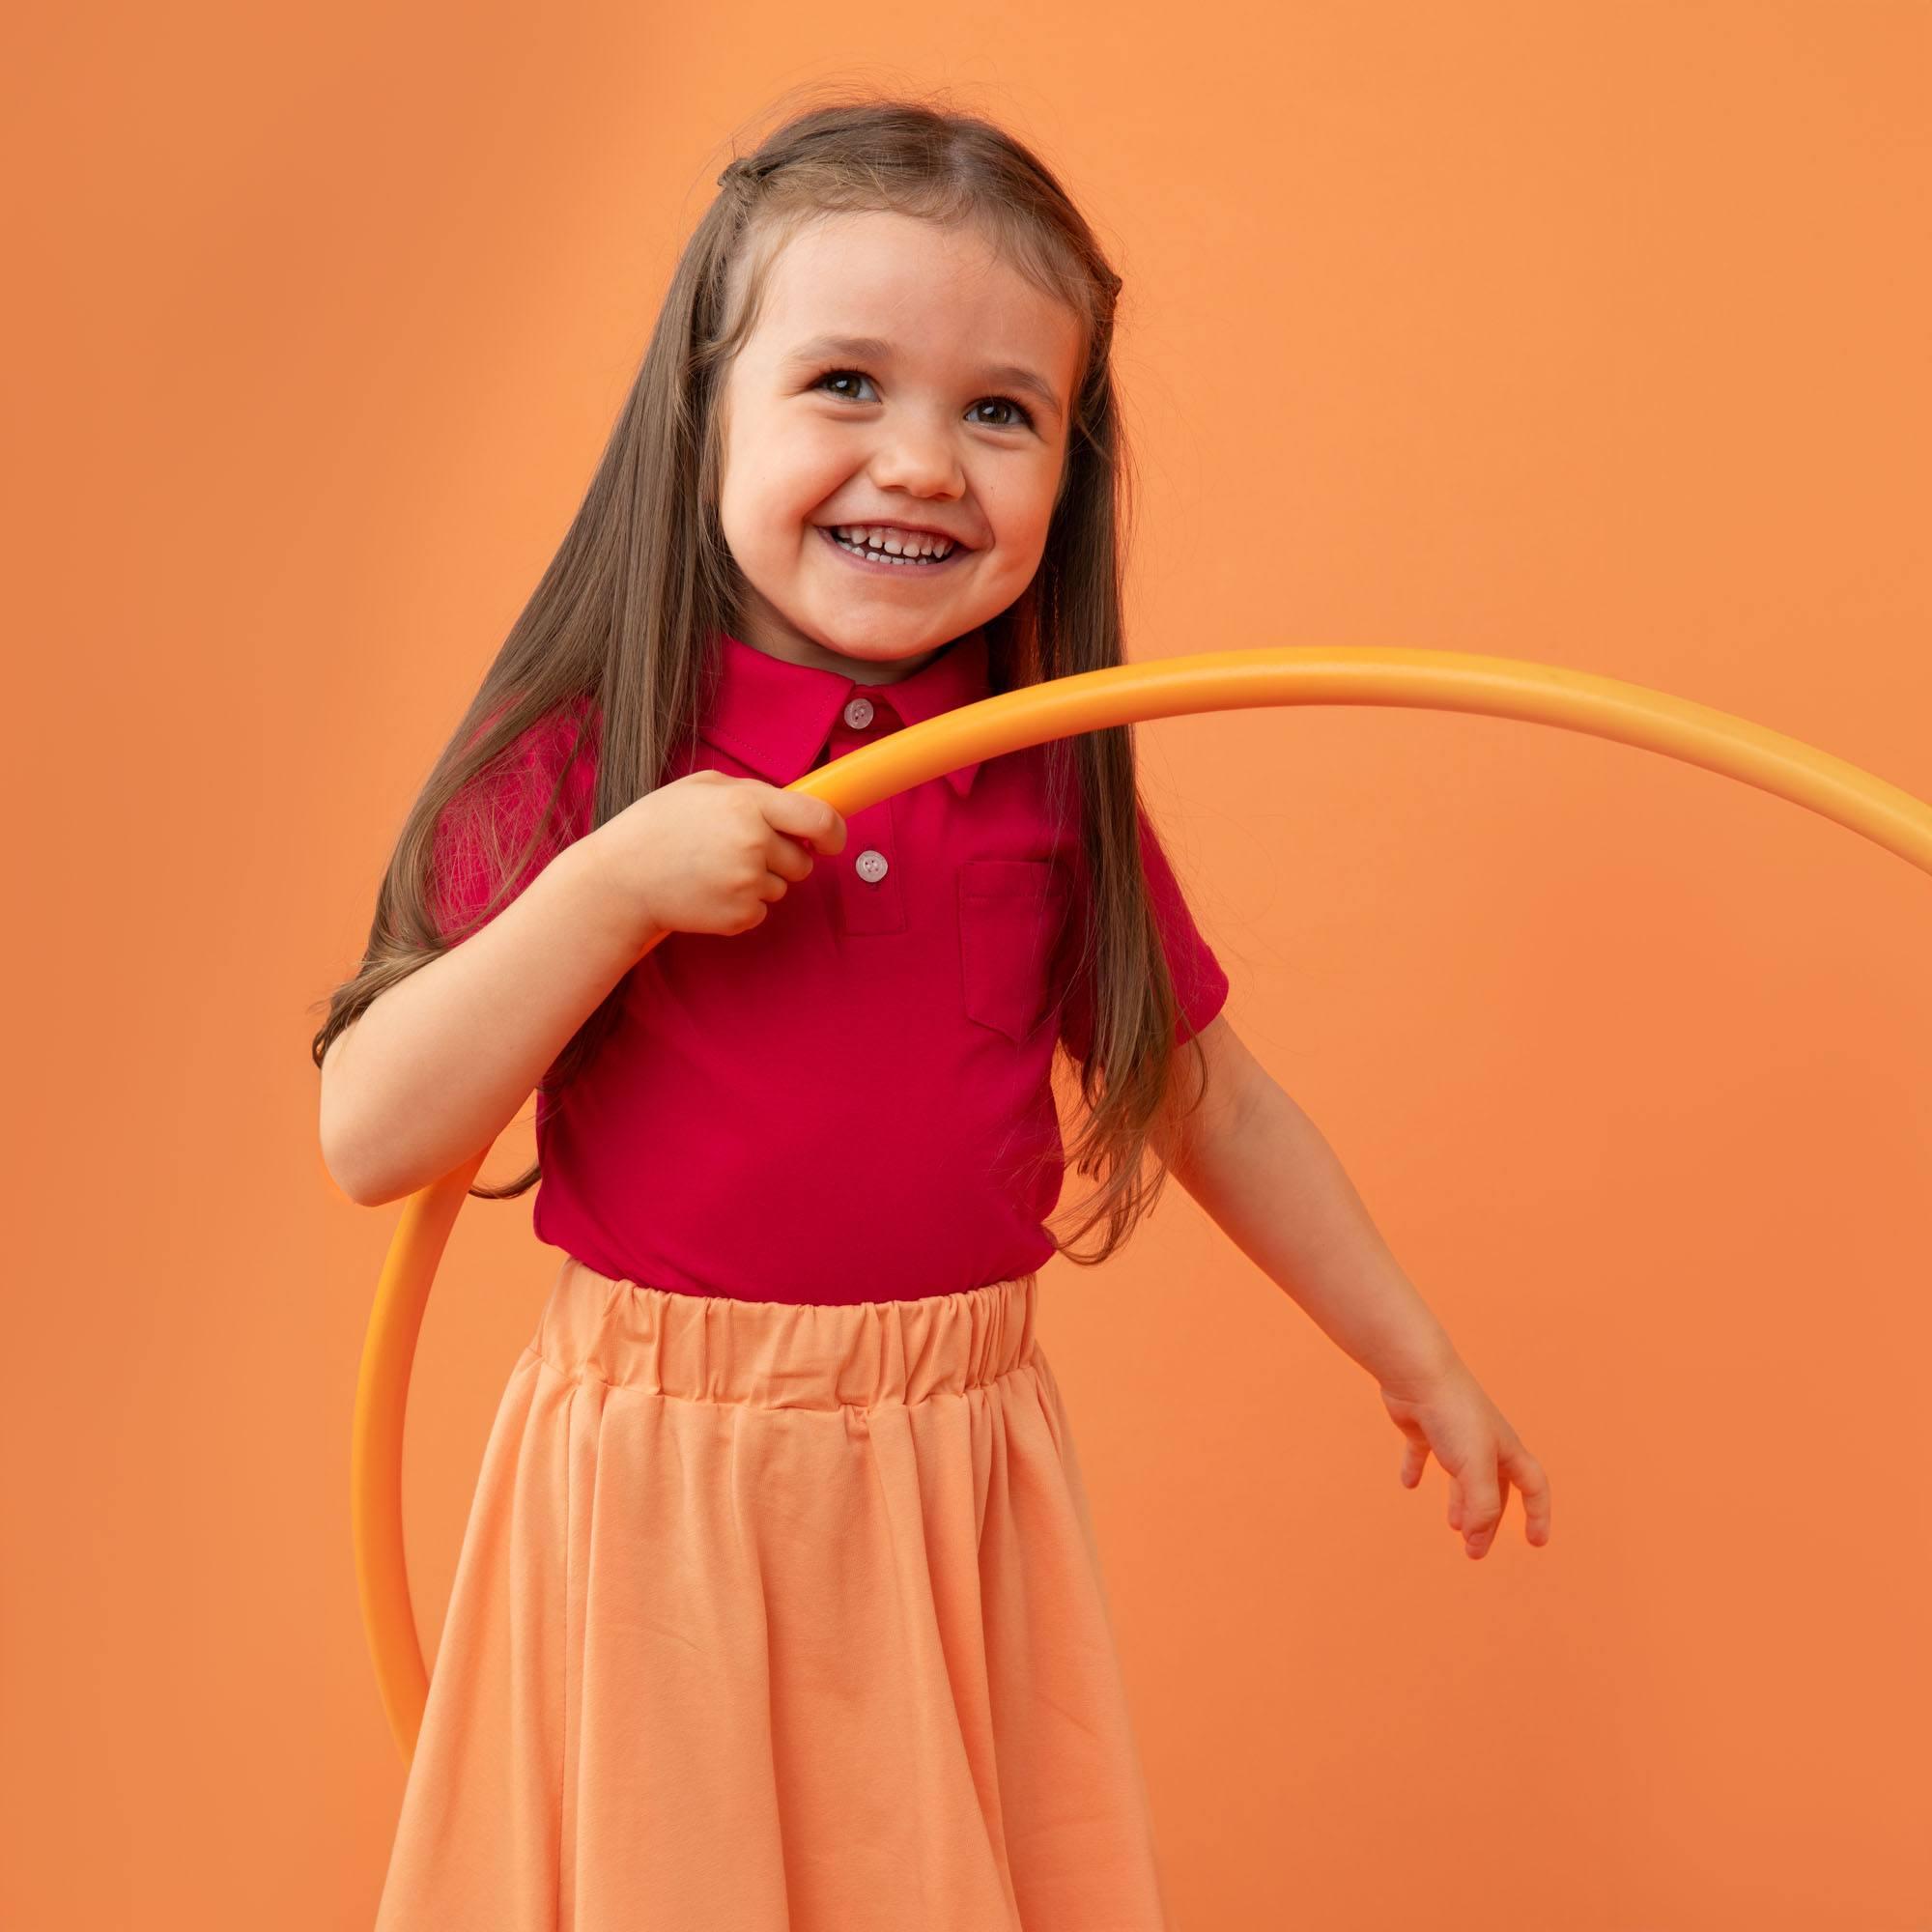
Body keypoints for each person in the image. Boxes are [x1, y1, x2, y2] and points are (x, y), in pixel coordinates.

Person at [315, 94, 1550, 1932]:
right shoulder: (588, 762)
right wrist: (610, 888)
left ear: (1072, 467)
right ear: (703, 414)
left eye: (1000, 411)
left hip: (953, 1476)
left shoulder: (1044, 787)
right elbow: (374, 1137)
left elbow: (1202, 1091)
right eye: (845, 384)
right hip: (660, 1495)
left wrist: (1415, 1354)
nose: (921, 463)